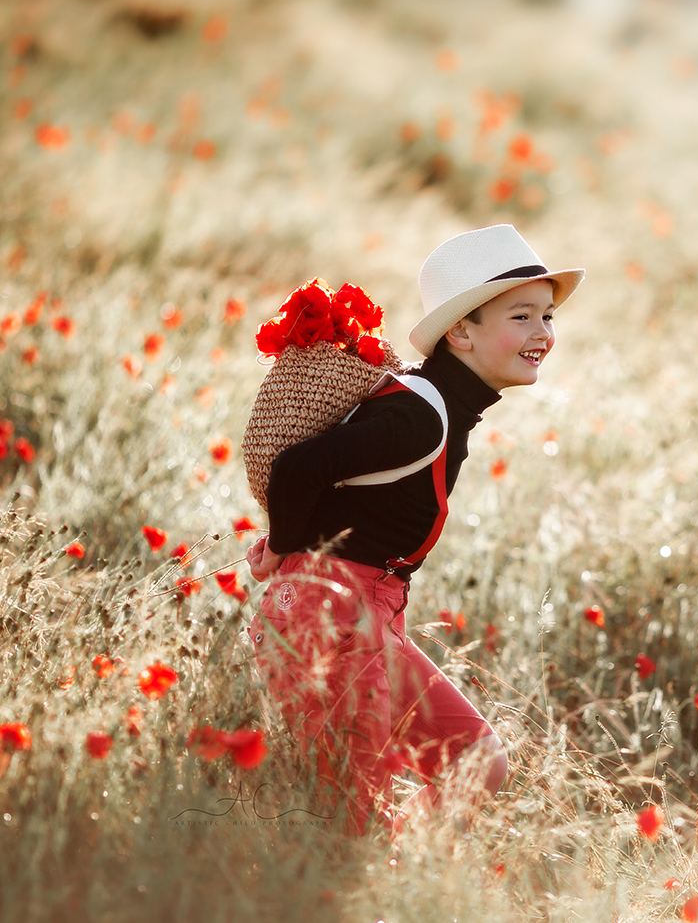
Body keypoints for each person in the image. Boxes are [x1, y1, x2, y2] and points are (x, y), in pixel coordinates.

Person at [245, 224, 584, 834]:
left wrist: (287, 548)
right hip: (331, 617)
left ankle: (395, 872)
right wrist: (281, 548)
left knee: (475, 761)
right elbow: (298, 468)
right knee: (346, 819)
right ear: (461, 331)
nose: (543, 334)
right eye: (522, 315)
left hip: (361, 613)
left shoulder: (437, 408)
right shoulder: (420, 415)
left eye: (548, 317)